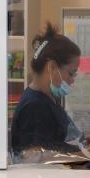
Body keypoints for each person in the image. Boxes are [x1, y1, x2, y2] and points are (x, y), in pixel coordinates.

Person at [11, 22, 83, 155]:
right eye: (71, 73)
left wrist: (80, 145)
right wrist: (83, 154)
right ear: (52, 67)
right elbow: (36, 155)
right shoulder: (34, 106)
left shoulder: (49, 99)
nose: (73, 80)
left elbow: (55, 142)